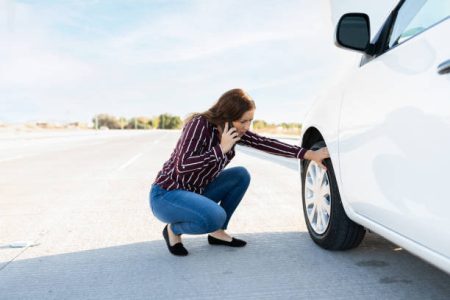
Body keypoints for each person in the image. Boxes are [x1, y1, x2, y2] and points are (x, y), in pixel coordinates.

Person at [149, 88, 329, 256]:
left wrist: (308, 154)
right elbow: (182, 166)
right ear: (226, 117)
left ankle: (217, 232)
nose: (247, 126)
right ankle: (173, 230)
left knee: (240, 175)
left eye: (250, 120)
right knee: (215, 216)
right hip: (167, 195)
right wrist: (220, 149)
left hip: (196, 192)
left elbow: (266, 143)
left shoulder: (234, 131)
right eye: (243, 121)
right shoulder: (199, 125)